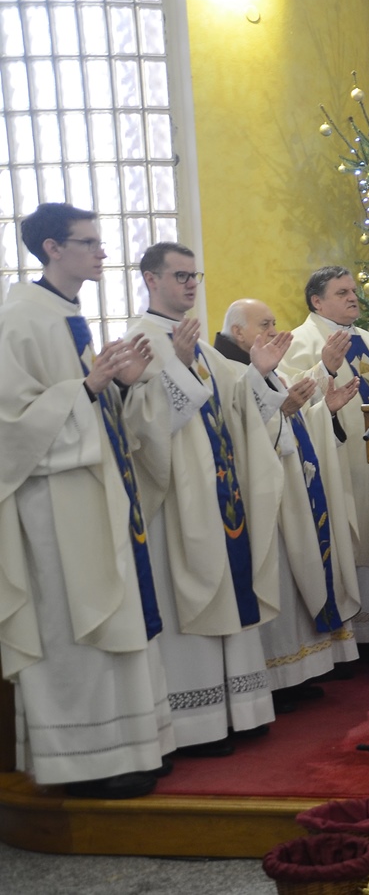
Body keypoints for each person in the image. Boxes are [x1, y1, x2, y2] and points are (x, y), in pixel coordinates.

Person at [0, 203, 171, 798]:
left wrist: (113, 388)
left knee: (115, 612)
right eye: (89, 242)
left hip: (95, 491)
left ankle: (132, 747)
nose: (102, 252)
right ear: (52, 247)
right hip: (53, 504)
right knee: (73, 625)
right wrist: (89, 387)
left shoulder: (67, 313)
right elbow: (9, 424)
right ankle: (82, 761)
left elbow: (85, 402)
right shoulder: (19, 316)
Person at [125, 242, 283, 756]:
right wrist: (179, 366)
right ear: (150, 280)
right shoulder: (140, 340)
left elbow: (240, 403)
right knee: (189, 597)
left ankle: (244, 710)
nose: (191, 284)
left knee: (227, 587)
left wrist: (259, 373)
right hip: (179, 500)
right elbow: (141, 430)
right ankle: (199, 722)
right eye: (179, 276)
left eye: (195, 275)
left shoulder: (199, 344)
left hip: (223, 493)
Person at [215, 299, 363, 701]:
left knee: (297, 576)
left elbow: (288, 417)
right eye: (265, 324)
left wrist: (319, 411)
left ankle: (299, 672)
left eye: (275, 322)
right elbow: (236, 433)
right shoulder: (228, 372)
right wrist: (286, 412)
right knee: (275, 577)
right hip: (261, 497)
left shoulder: (266, 369)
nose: (274, 331)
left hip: (291, 488)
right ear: (238, 331)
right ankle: (279, 679)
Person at [281, 266, 369, 647]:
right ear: (317, 300)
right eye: (342, 292)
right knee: (353, 537)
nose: (352, 297)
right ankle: (354, 634)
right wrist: (325, 366)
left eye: (353, 291)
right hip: (342, 464)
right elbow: (287, 405)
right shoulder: (300, 343)